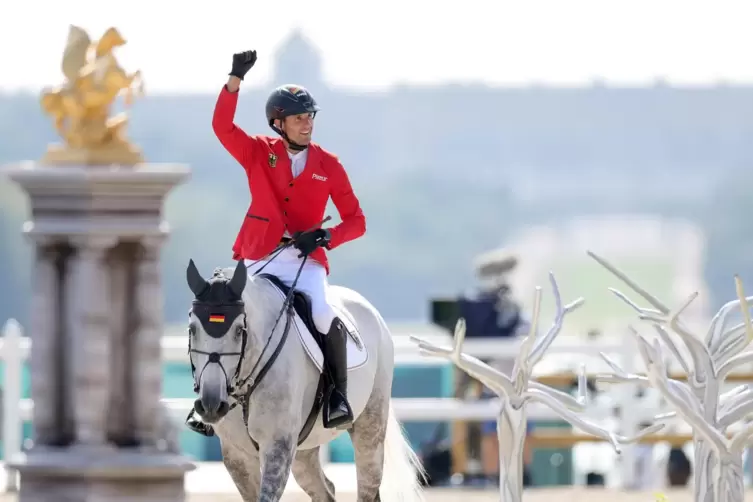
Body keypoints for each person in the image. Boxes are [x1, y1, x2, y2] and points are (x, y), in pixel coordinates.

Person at [185, 50, 366, 436]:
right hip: (261, 255)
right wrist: (234, 79)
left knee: (322, 315)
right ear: (278, 123)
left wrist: (326, 235)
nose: (307, 124)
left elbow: (357, 220)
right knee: (224, 308)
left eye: (310, 117)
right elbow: (221, 126)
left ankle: (337, 396)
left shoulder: (328, 165)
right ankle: (205, 402)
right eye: (299, 118)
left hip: (305, 262)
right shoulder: (257, 152)